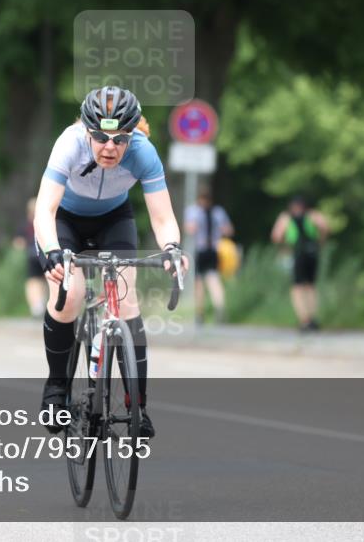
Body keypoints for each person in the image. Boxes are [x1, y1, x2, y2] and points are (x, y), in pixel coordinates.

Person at [34, 86, 189, 439]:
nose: (109, 147)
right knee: (69, 294)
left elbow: (164, 218)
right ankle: (57, 386)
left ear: (131, 135)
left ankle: (138, 408)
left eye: (119, 140)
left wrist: (172, 249)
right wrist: (53, 251)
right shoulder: (69, 143)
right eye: (101, 137)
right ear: (88, 131)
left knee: (127, 297)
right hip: (65, 221)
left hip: (113, 218)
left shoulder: (143, 152)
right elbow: (44, 209)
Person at [271, 195, 329, 332]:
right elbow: (325, 227)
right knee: (310, 286)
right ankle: (313, 318)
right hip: (313, 253)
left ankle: (304, 320)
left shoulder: (286, 217)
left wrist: (284, 246)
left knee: (297, 288)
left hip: (297, 253)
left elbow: (276, 236)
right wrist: (320, 241)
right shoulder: (313, 215)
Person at [184, 188, 234, 326]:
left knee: (206, 282)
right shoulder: (216, 212)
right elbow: (228, 230)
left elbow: (189, 229)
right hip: (208, 250)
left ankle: (209, 312)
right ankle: (210, 311)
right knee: (207, 281)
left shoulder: (196, 212)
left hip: (207, 250)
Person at [13, 197, 47, 318]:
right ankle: (42, 303)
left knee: (33, 281)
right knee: (44, 280)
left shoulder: (25, 225)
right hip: (45, 253)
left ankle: (36, 306)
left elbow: (18, 243)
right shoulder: (47, 221)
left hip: (32, 255)